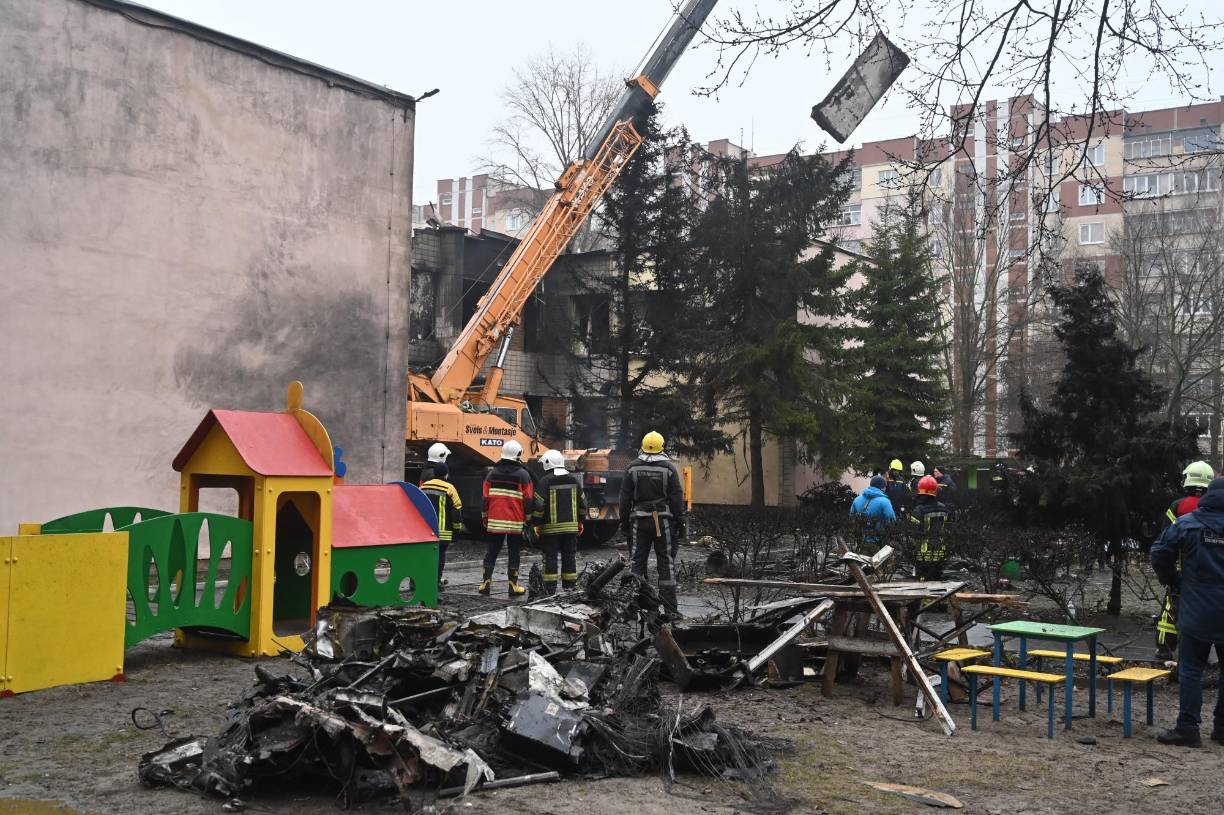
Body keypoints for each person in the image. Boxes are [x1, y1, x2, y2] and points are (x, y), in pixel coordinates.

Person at [1150, 475, 1224, 747]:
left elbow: (1159, 552)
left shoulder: (1189, 523)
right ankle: (1222, 729)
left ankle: (1188, 728)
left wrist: (1173, 580)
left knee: (1191, 668)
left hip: (1198, 607)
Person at [620, 430, 686, 618]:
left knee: (636, 564)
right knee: (666, 563)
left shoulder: (632, 468)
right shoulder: (669, 469)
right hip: (663, 522)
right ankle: (670, 610)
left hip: (638, 523)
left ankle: (631, 609)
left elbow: (624, 498)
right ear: (662, 447)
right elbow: (676, 498)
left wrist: (624, 522)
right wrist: (679, 521)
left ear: (643, 446)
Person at [1155, 460, 1215, 661]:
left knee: (1170, 609)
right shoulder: (1213, 508)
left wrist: (1169, 573)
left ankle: (1164, 647)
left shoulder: (1178, 506)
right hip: (1209, 570)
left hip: (1181, 571)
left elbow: (1166, 539)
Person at [479, 440, 534, 597]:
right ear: (518, 455)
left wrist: (484, 516)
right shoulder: (524, 475)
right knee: (514, 552)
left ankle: (485, 583)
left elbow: (484, 498)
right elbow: (528, 499)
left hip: (495, 521)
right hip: (515, 522)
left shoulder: (491, 474)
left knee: (492, 551)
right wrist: (528, 519)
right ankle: (513, 585)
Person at [531, 449, 586, 595]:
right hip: (571, 529)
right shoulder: (574, 480)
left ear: (548, 464)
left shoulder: (545, 481)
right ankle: (569, 587)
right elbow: (583, 503)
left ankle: (550, 589)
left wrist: (536, 523)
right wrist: (580, 522)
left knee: (550, 557)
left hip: (550, 530)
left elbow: (538, 505)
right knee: (569, 556)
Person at [420, 457, 463, 590]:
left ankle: (422, 580)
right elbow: (456, 511)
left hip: (426, 530)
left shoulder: (423, 487)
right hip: (443, 532)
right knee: (440, 556)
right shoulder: (450, 488)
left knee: (427, 557)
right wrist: (457, 529)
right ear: (446, 474)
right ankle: (436, 582)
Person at [908, 475, 950, 581]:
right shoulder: (944, 508)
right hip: (940, 551)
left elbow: (913, 534)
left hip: (922, 554)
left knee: (923, 581)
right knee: (937, 579)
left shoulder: (918, 510)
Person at [850, 475, 897, 545]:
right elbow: (891, 520)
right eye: (885, 486)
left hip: (859, 540)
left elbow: (851, 517)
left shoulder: (857, 499)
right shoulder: (885, 501)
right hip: (878, 541)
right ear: (882, 487)